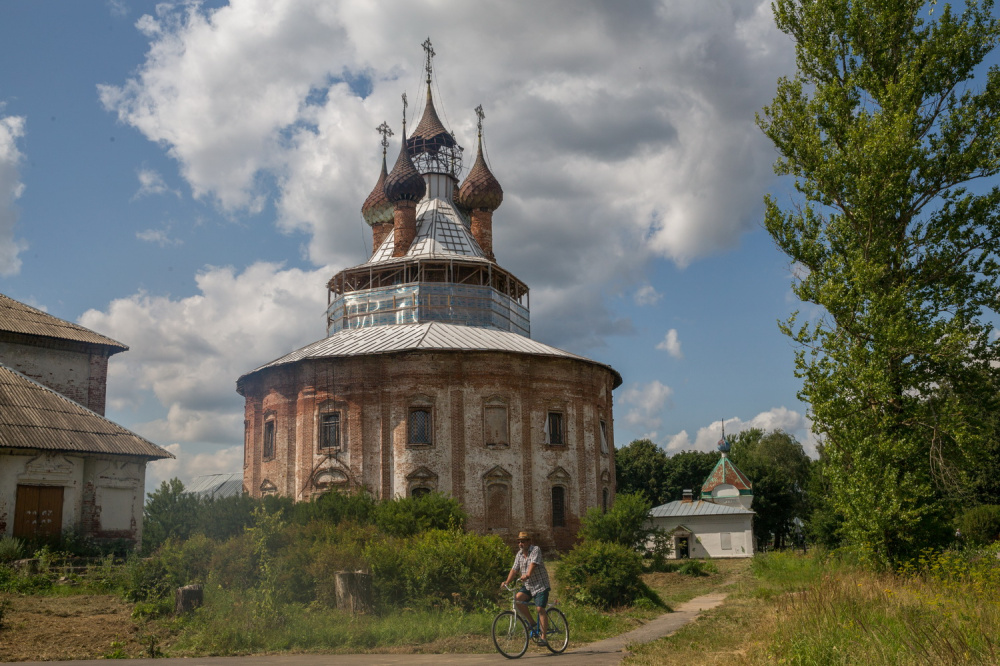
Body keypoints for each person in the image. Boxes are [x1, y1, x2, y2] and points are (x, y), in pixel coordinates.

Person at [502, 530, 551, 645]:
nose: (520, 544)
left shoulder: (535, 550)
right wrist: (507, 582)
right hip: (528, 586)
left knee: (540, 609)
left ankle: (543, 638)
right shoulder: (519, 554)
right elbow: (514, 569)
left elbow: (533, 563)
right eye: (519, 541)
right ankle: (532, 623)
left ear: (529, 541)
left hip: (540, 585)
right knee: (517, 600)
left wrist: (528, 575)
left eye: (523, 541)